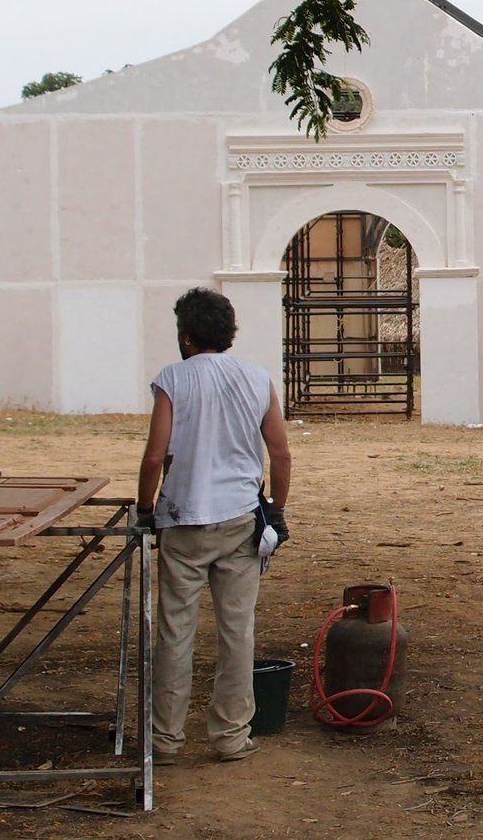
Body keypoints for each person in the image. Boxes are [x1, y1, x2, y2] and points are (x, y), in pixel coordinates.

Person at [138, 288, 294, 765]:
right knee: (237, 632)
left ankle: (164, 740)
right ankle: (229, 735)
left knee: (175, 632)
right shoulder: (256, 378)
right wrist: (277, 509)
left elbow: (153, 456)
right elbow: (281, 453)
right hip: (240, 520)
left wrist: (146, 510)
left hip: (184, 521)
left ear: (185, 336)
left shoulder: (172, 380)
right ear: (230, 335)